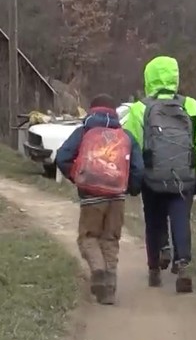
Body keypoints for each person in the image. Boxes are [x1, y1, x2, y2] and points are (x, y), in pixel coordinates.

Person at [122, 56, 196, 293]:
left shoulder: (140, 108)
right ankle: (182, 265)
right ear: (175, 77)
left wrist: (137, 175)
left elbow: (131, 144)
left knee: (154, 220)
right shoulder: (190, 105)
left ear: (148, 78)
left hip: (152, 176)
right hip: (183, 177)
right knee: (181, 218)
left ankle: (155, 266)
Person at [55, 94, 144, 305]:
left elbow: (62, 157)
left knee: (88, 237)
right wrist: (131, 188)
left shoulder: (84, 132)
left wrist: (77, 178)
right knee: (110, 239)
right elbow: (138, 169)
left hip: (90, 197)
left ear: (91, 110)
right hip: (116, 197)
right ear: (114, 112)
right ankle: (109, 289)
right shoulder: (126, 136)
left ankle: (98, 271)